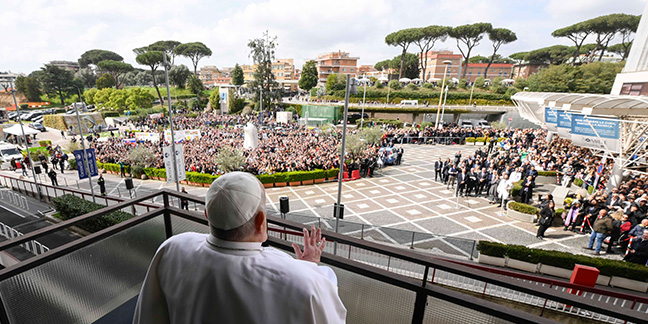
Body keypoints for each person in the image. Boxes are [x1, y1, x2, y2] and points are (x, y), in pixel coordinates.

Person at [133, 172, 347, 324]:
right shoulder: (303, 280)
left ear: (207, 215)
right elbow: (328, 312)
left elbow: (149, 315)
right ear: (261, 220)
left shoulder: (172, 248)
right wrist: (309, 266)